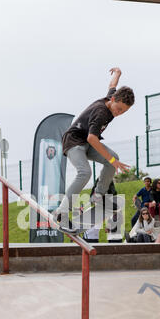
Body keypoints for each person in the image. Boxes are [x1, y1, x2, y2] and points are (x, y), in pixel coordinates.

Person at [54, 67, 135, 232]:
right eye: (118, 109)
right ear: (112, 100)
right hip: (74, 141)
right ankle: (61, 214)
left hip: (86, 142)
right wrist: (112, 161)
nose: (118, 113)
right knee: (85, 172)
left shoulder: (112, 97)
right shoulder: (101, 113)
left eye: (123, 111)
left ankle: (98, 195)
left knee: (113, 158)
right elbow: (92, 138)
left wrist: (118, 74)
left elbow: (112, 85)